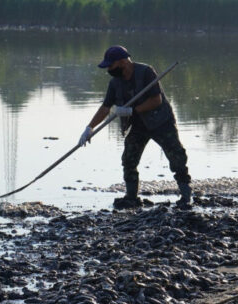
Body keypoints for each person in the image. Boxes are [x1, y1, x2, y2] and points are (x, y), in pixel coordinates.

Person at [78, 46, 192, 208]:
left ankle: (186, 195)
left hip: (161, 122)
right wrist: (89, 128)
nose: (109, 69)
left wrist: (132, 110)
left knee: (176, 156)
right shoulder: (115, 83)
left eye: (111, 65)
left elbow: (156, 100)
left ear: (123, 62)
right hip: (138, 125)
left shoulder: (146, 72)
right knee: (129, 160)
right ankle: (131, 197)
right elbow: (105, 108)